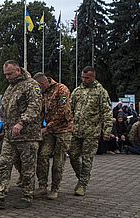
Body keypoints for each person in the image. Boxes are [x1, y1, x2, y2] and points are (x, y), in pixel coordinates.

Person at [0, 60, 42, 209]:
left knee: (27, 167)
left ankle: (27, 196)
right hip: (10, 135)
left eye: (9, 73)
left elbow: (35, 108)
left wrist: (21, 123)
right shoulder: (10, 87)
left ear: (18, 71)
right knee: (4, 164)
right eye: (5, 74)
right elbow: (5, 108)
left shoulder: (32, 85)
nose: (7, 77)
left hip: (27, 135)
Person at [69, 66, 113, 196]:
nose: (84, 79)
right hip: (76, 131)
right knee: (72, 156)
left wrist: (107, 131)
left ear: (93, 77)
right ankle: (81, 176)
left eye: (87, 77)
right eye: (82, 77)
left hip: (91, 132)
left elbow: (107, 112)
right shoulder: (77, 91)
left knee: (87, 159)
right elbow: (70, 109)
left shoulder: (101, 92)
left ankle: (82, 184)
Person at [32, 73, 74, 200]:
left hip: (63, 129)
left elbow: (63, 111)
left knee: (58, 160)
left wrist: (47, 127)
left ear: (43, 84)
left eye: (38, 88)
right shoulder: (42, 93)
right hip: (49, 130)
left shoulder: (62, 89)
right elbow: (40, 111)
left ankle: (55, 188)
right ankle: (42, 186)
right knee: (43, 155)